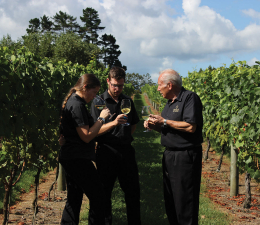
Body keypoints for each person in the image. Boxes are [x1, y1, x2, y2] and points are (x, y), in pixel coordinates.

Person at [144, 69, 203, 225]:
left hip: (185, 157)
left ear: (169, 85)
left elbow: (191, 127)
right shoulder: (169, 103)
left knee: (185, 204)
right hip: (169, 156)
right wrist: (154, 125)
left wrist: (164, 121)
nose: (157, 89)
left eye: (159, 85)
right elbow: (167, 128)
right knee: (171, 201)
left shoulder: (190, 98)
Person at [90, 66, 141, 225]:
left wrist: (123, 136)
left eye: (120, 85)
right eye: (114, 85)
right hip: (106, 152)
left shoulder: (128, 101)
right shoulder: (98, 102)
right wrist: (114, 124)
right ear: (108, 81)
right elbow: (94, 132)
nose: (117, 88)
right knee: (104, 193)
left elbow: (133, 124)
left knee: (133, 192)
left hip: (126, 152)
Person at [59, 73, 111, 225]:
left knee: (74, 199)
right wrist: (101, 119)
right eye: (94, 92)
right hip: (77, 159)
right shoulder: (77, 105)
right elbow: (86, 136)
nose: (94, 96)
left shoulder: (72, 101)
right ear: (85, 87)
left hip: (71, 157)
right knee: (98, 197)